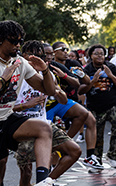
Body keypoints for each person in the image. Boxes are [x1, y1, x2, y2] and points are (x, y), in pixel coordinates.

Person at [0, 20, 55, 186]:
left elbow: (49, 90)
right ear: (1, 40)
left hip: (7, 118)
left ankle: (42, 181)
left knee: (44, 129)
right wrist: (3, 79)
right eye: (13, 41)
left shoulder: (21, 62)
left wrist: (45, 70)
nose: (18, 45)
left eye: (20, 41)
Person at [14, 40, 81, 186]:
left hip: (44, 125)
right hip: (22, 127)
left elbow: (63, 100)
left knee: (74, 151)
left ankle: (47, 181)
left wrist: (58, 91)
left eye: (41, 56)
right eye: (33, 55)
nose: (38, 59)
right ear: (24, 55)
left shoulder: (47, 74)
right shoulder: (16, 74)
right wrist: (25, 105)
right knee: (26, 174)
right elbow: (4, 108)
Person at [50, 41, 103, 169]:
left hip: (69, 101)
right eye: (62, 49)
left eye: (66, 49)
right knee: (51, 135)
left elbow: (84, 81)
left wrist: (81, 73)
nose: (65, 52)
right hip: (52, 103)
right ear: (54, 53)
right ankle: (50, 170)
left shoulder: (72, 63)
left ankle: (90, 156)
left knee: (90, 119)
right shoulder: (50, 66)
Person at [78, 44, 116, 168]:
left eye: (102, 53)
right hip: (95, 107)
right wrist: (93, 81)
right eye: (96, 54)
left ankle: (112, 155)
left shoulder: (111, 67)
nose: (100, 56)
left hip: (113, 104)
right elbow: (81, 90)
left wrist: (110, 75)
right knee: (97, 135)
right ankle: (97, 161)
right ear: (90, 56)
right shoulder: (86, 69)